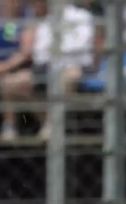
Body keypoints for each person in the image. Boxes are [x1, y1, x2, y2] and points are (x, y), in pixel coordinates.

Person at [28, 0, 94, 140]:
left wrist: (57, 54)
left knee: (69, 77)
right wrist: (53, 57)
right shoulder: (47, 20)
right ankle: (46, 124)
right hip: (48, 66)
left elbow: (81, 44)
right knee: (17, 83)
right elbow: (39, 50)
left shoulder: (82, 16)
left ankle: (53, 126)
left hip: (75, 65)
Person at [0, 0, 35, 141]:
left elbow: (25, 53)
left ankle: (10, 126)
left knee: (9, 82)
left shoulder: (27, 18)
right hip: (3, 68)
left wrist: (5, 67)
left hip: (20, 68)